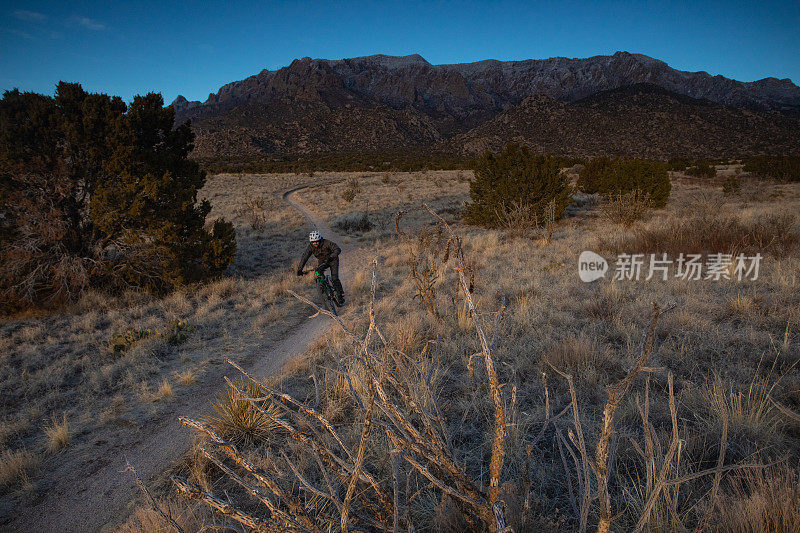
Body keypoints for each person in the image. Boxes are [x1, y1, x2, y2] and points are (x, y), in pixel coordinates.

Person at [297, 230, 344, 304]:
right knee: (318, 273)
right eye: (313, 242)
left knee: (335, 278)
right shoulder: (311, 247)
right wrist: (300, 269)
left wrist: (332, 256)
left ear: (320, 239)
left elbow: (337, 249)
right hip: (322, 261)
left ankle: (340, 294)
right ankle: (322, 287)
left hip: (332, 260)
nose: (315, 243)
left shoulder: (326, 243)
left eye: (316, 241)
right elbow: (305, 257)